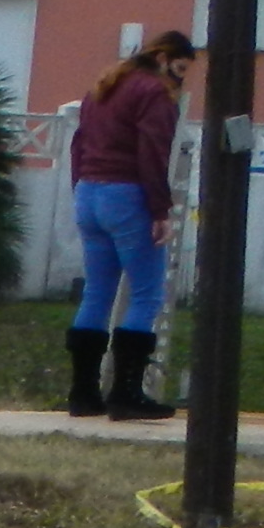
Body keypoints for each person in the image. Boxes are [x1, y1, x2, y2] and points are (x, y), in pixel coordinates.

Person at [67, 33, 194, 422]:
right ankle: (126, 394)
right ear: (163, 58)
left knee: (97, 294)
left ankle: (84, 394)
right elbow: (152, 152)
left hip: (89, 193)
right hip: (128, 195)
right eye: (181, 69)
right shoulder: (153, 94)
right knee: (145, 295)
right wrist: (161, 209)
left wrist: (81, 189)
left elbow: (78, 143)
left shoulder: (103, 88)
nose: (181, 79)